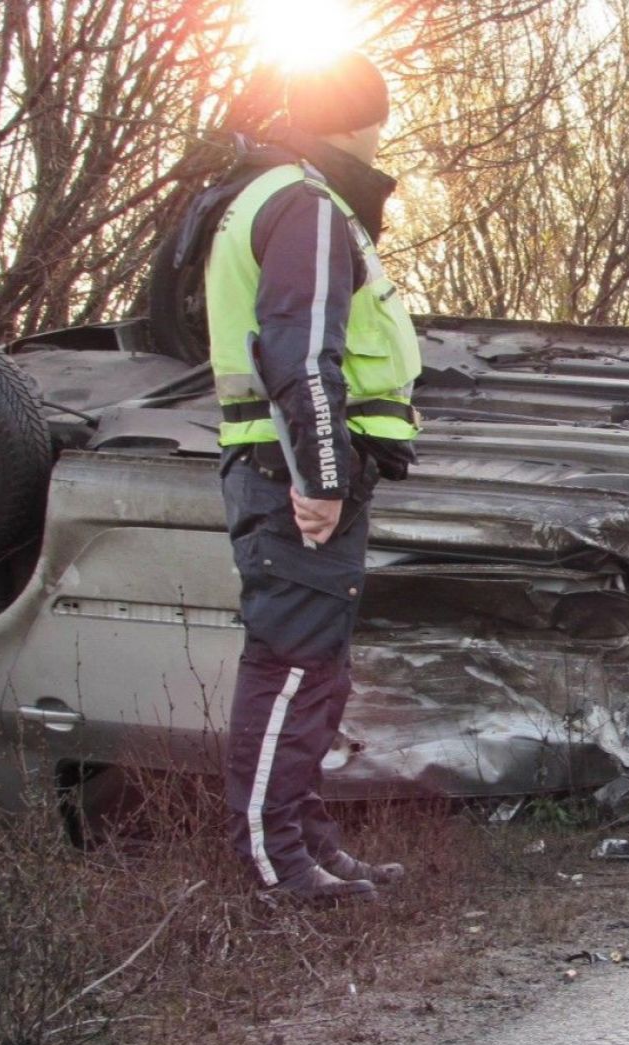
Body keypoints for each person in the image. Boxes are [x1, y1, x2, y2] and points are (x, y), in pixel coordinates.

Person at [203, 52, 421, 901]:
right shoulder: (307, 205)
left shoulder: (278, 191)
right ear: (362, 121)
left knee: (318, 669)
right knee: (290, 666)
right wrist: (322, 478)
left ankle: (306, 841)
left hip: (286, 464)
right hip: (290, 471)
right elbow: (299, 353)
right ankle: (273, 865)